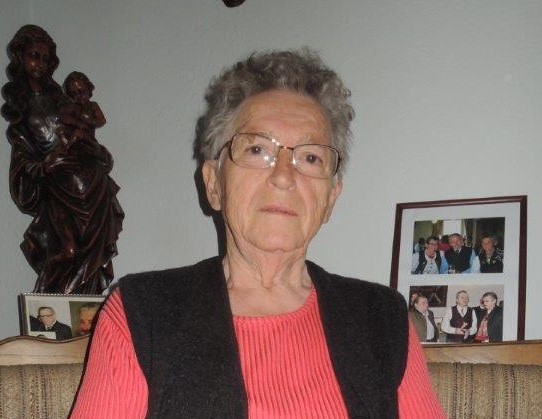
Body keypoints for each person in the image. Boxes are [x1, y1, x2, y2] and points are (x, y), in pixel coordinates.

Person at [71, 49, 444, 418]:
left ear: (331, 198)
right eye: (256, 149)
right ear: (214, 184)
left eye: (310, 157)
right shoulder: (142, 314)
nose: (284, 176)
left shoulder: (383, 321)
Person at [1, 25, 124, 294]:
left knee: (91, 263)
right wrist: (45, 166)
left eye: (45, 59)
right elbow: (23, 163)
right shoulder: (21, 108)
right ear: (21, 57)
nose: (40, 64)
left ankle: (87, 310)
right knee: (68, 252)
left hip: (95, 188)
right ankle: (49, 305)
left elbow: (90, 138)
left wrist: (100, 154)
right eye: (34, 56)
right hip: (59, 190)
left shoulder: (64, 100)